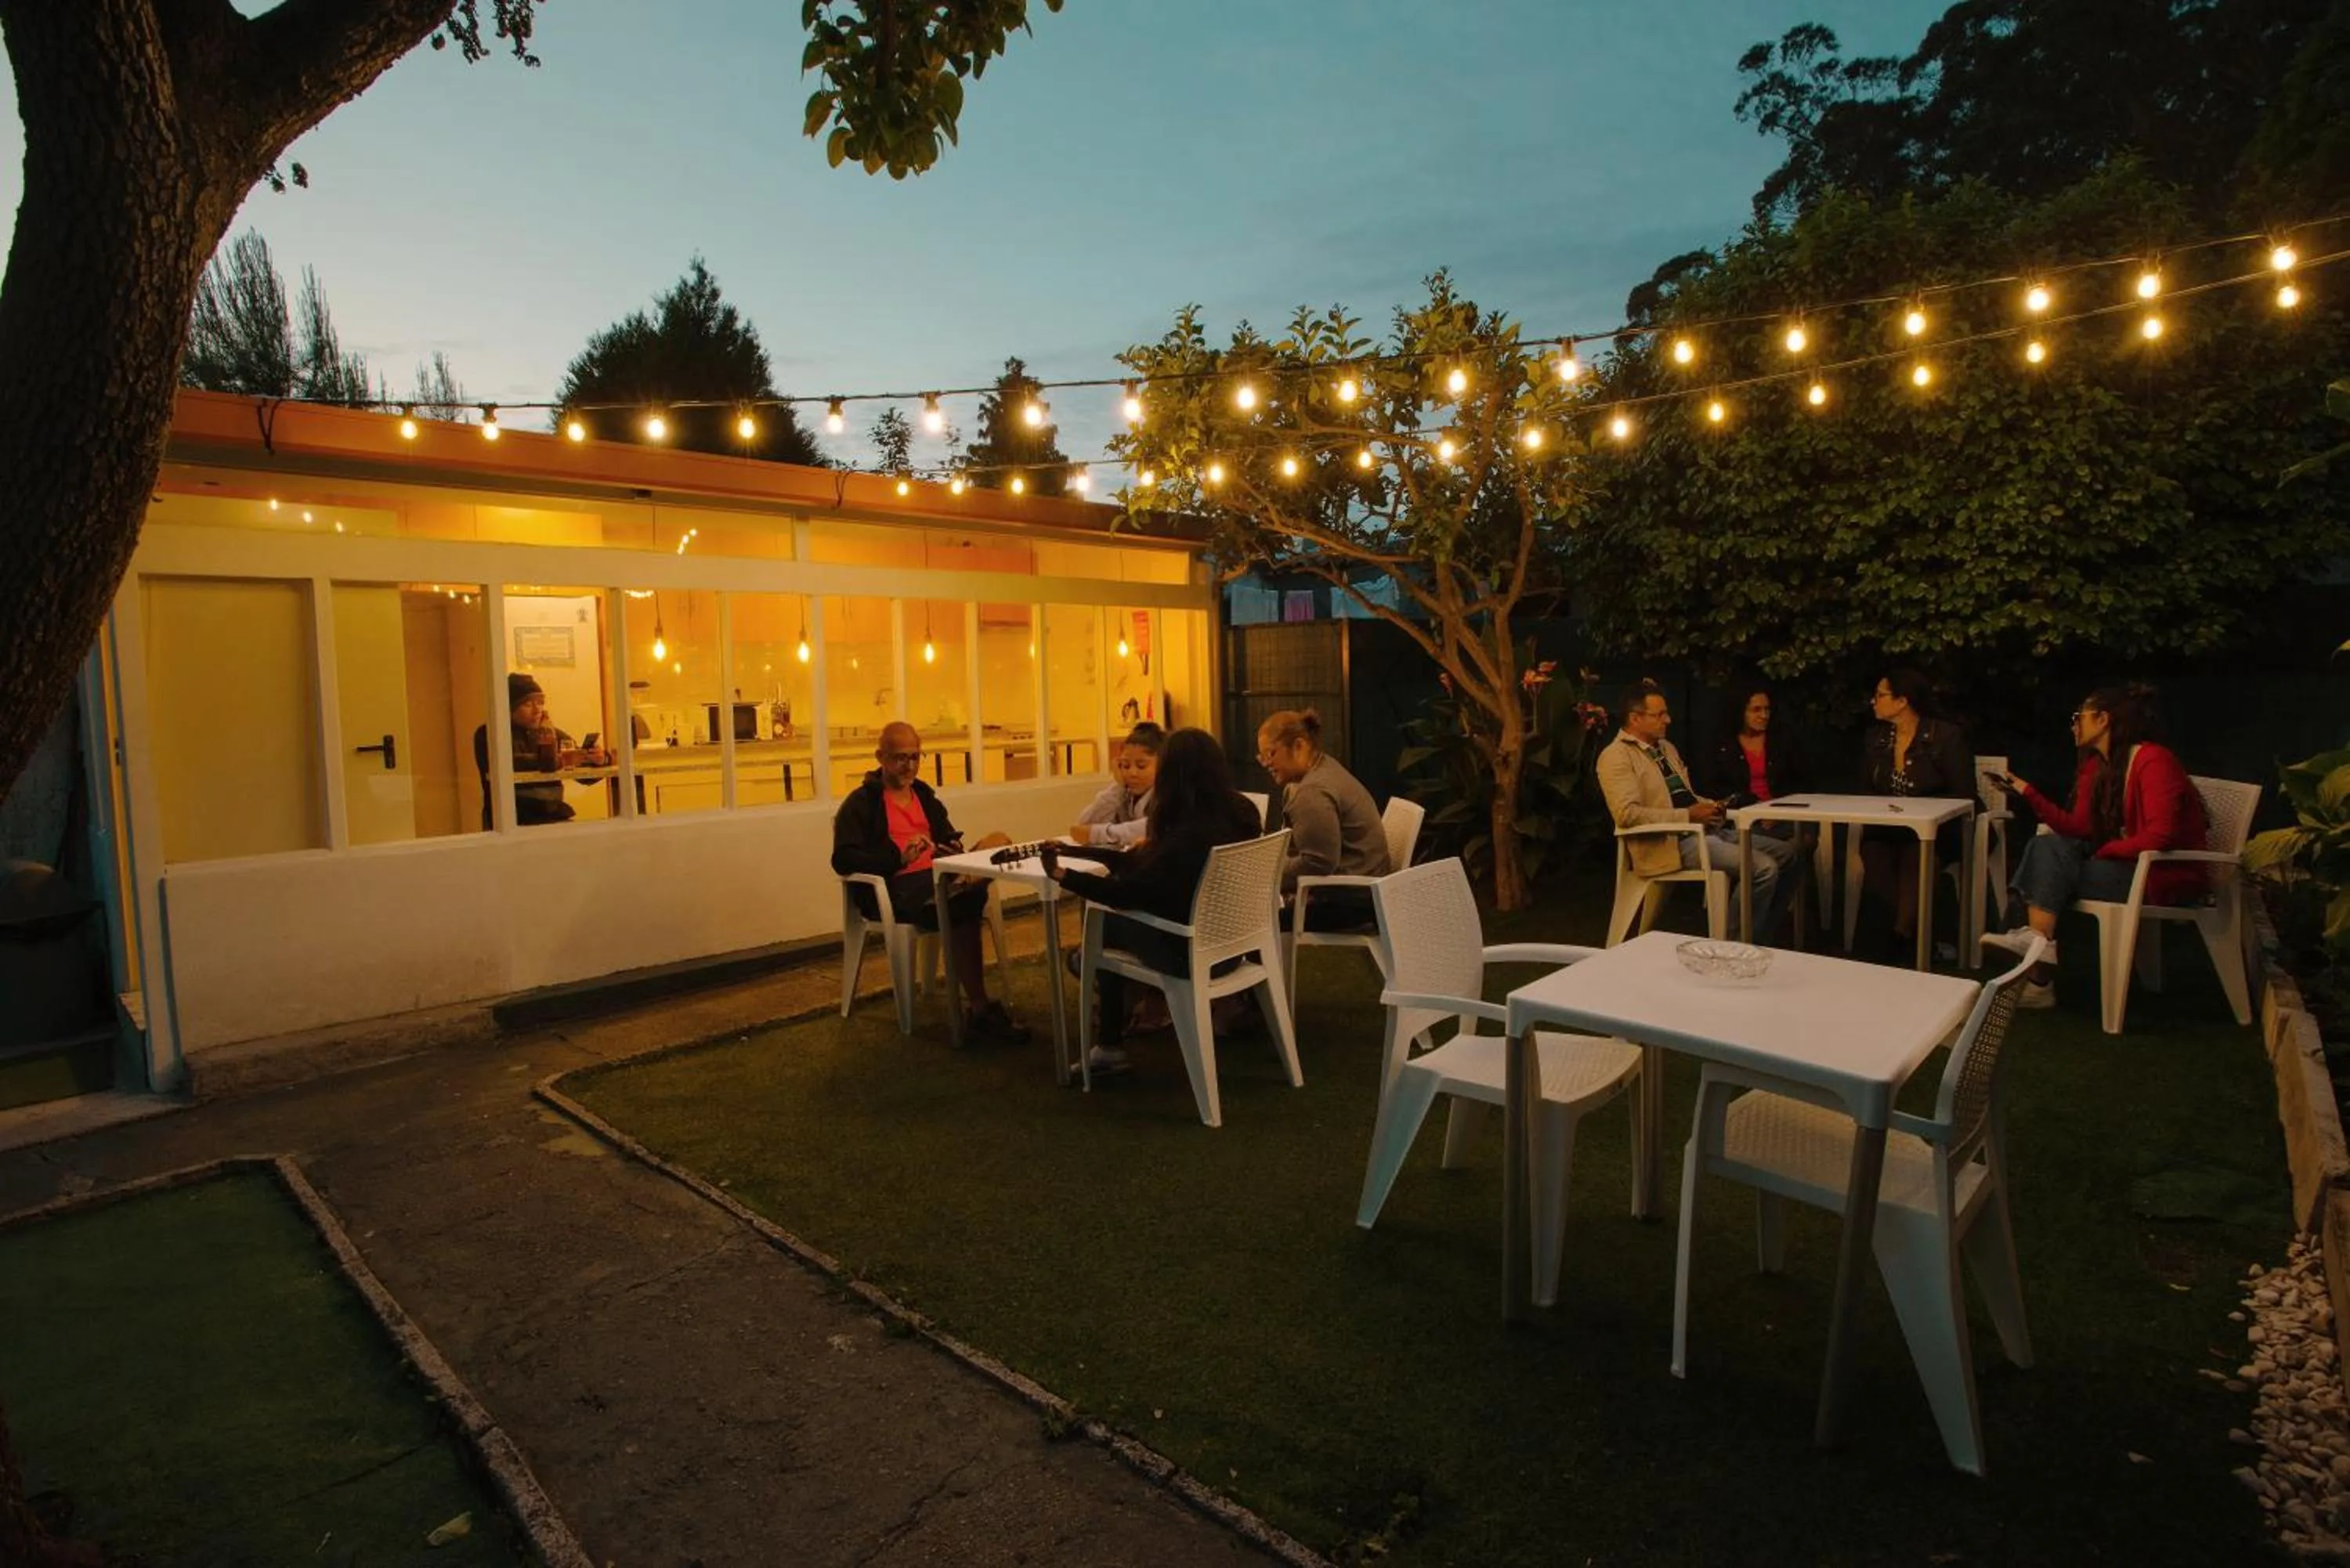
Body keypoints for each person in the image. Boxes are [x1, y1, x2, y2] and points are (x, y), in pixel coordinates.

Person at [1044, 728, 1264, 1074]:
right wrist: (1085, 853)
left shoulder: (1184, 828)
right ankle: (1130, 1007)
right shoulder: (1241, 812)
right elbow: (1148, 869)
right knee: (1107, 922)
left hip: (1186, 951)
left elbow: (1132, 893)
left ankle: (1110, 1042)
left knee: (1101, 923)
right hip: (1233, 945)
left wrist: (1064, 876)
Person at [1983, 684, 2209, 1009]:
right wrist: (2029, 794)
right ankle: (2039, 946)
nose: (2073, 725)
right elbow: (2080, 828)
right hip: (2123, 868)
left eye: (2079, 717)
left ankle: (2037, 973)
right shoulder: (2099, 766)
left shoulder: (2153, 760)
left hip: (2159, 874)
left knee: (2045, 863)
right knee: (2046, 848)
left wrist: (2109, 850)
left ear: (2103, 719)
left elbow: (2161, 836)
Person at [831, 721, 1030, 1043]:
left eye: (915, 757)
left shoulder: (924, 795)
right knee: (966, 904)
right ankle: (979, 1009)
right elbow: (843, 859)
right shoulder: (862, 803)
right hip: (903, 890)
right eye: (900, 758)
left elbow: (946, 835)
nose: (909, 766)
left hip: (940, 874)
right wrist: (899, 859)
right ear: (881, 757)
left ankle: (963, 884)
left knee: (999, 840)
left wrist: (951, 849)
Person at [1596, 678, 1799, 941]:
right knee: (1763, 868)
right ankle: (1734, 946)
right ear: (1635, 719)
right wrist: (1688, 816)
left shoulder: (1665, 748)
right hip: (1670, 841)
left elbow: (1685, 797)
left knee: (1790, 854)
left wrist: (1713, 806)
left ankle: (1760, 934)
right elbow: (1627, 814)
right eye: (1660, 715)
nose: (1668, 720)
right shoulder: (1616, 757)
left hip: (1705, 831)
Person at [1856, 667, 1977, 963]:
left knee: (1917, 852)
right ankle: (1905, 940)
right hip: (1889, 827)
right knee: (1874, 851)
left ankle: (1900, 938)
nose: (1874, 701)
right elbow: (1863, 791)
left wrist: (1920, 810)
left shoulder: (1945, 737)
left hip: (1940, 830)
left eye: (1881, 695)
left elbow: (1964, 795)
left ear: (1902, 702)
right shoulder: (1876, 739)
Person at [1256, 709, 1390, 932]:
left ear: (1299, 746)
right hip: (1368, 888)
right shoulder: (1322, 768)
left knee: (1253, 924)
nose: (1266, 764)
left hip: (1351, 900)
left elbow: (1317, 863)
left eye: (1271, 754)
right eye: (1262, 757)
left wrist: (1267, 873)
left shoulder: (1313, 791)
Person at [472, 673, 611, 829]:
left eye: (540, 703)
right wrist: (553, 761)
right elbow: (506, 762)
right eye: (528, 704)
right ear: (509, 708)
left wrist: (600, 759)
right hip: (511, 820)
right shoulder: (489, 734)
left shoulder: (550, 732)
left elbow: (580, 768)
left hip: (553, 815)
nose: (537, 710)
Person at [1070, 721, 1163, 848]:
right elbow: (1084, 825)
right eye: (1125, 765)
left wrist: (1097, 833)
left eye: (1141, 766)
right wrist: (1118, 787)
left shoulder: (1166, 794)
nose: (1132, 773)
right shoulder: (1125, 792)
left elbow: (1150, 828)